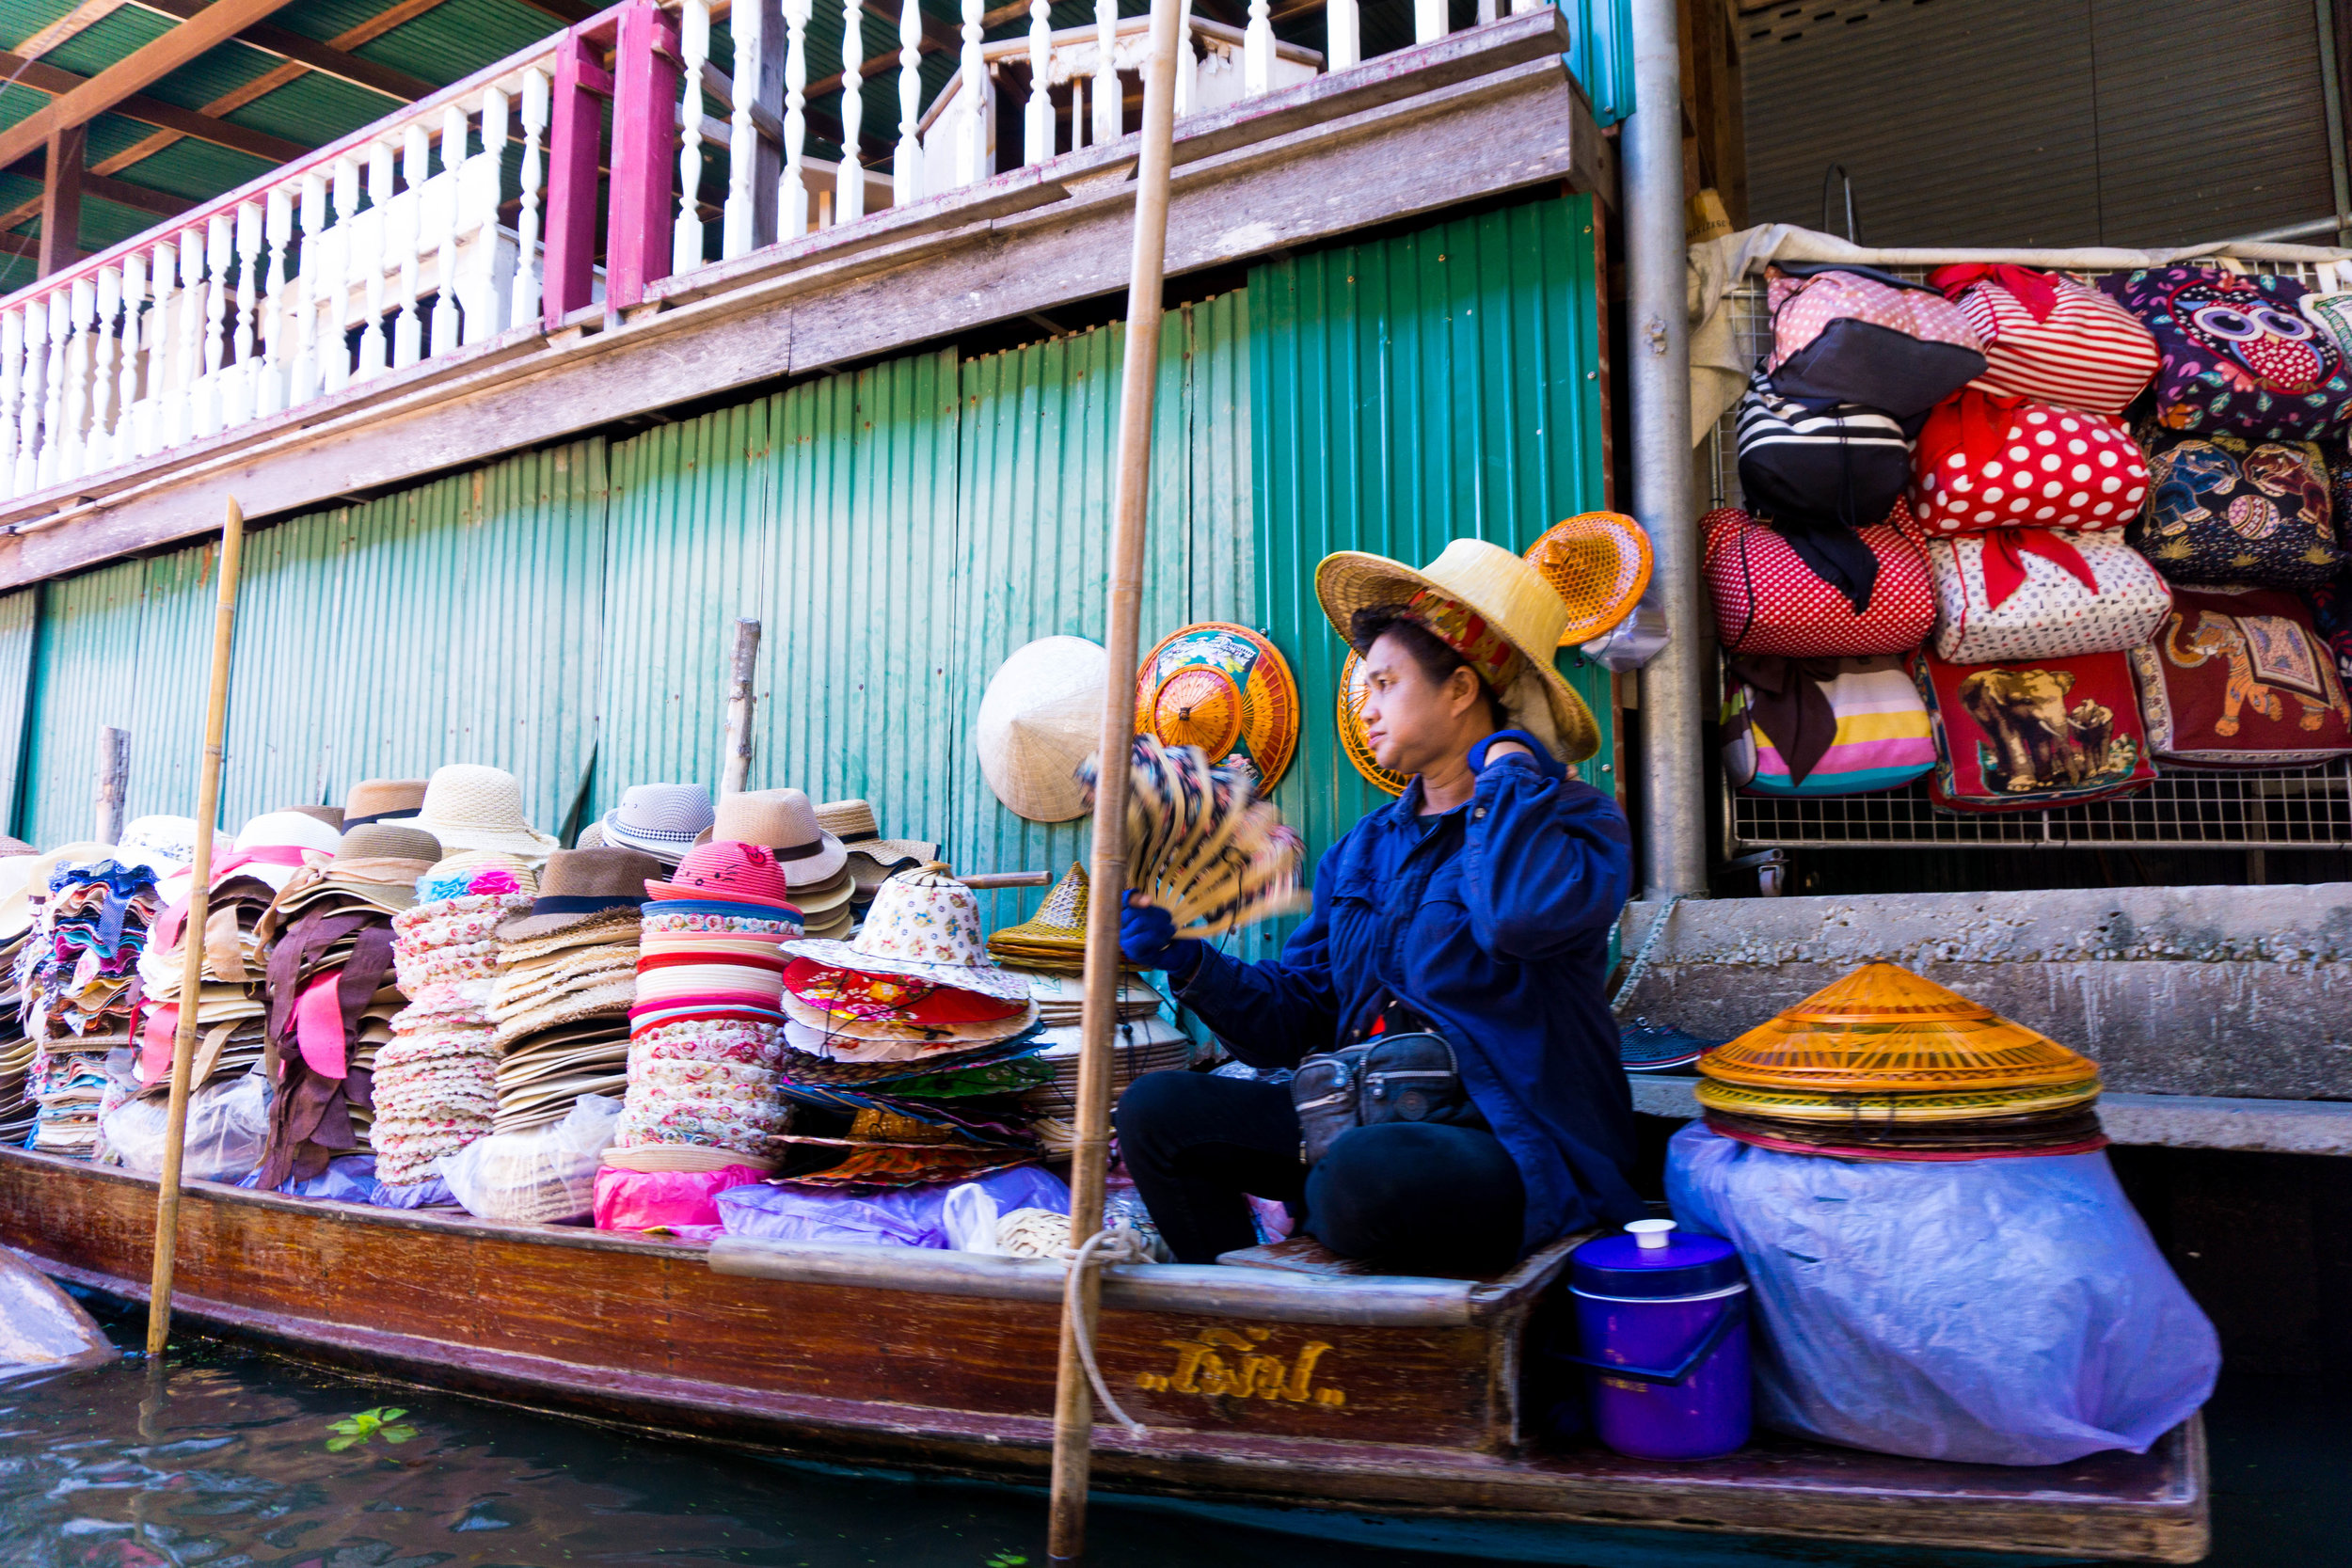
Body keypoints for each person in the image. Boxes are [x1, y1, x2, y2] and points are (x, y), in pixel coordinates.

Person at [1115, 538, 1646, 1274]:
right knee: (1157, 1113)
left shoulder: (1575, 822)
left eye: (1386, 684)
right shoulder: (1367, 848)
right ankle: (1243, 1335)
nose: (1366, 709)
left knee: (1367, 1176)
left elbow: (1517, 918)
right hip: (1356, 1123)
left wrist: (1508, 772)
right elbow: (1298, 1016)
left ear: (1462, 690)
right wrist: (1189, 959)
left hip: (1505, 1143)